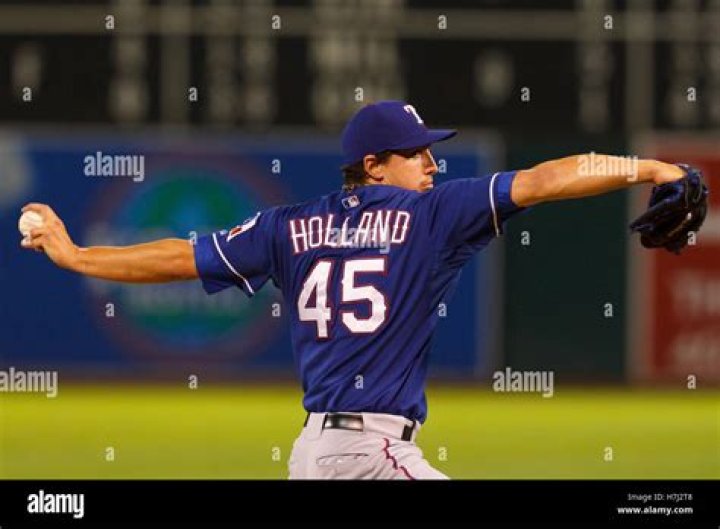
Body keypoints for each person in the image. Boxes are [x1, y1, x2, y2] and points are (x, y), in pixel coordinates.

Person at [21, 100, 687, 479]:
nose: (432, 163)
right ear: (374, 165)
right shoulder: (434, 214)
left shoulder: (287, 226)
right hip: (370, 455)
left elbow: (179, 256)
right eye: (417, 153)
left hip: (312, 454)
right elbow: (547, 179)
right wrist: (654, 168)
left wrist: (78, 256)